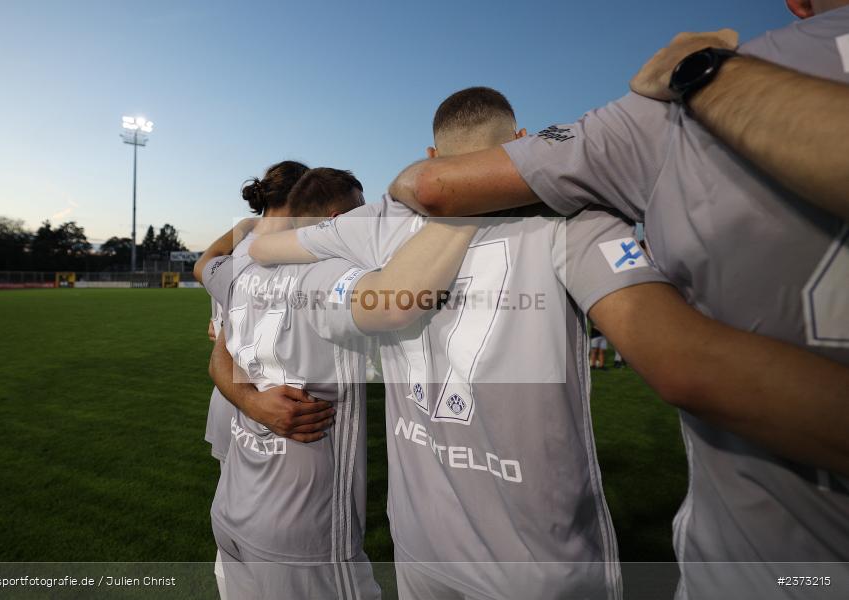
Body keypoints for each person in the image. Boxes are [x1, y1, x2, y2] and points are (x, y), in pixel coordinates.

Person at [386, 5, 849, 598]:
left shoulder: (654, 116)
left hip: (769, 570)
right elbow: (683, 362)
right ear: (522, 137)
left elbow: (426, 192)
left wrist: (698, 71)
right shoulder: (577, 223)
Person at [198, 167, 480, 599]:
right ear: (336, 220)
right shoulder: (323, 276)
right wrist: (465, 210)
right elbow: (395, 302)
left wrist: (249, 401)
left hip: (234, 506)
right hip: (299, 531)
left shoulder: (244, 269)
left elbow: (221, 345)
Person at [201, 160, 309, 599]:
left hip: (230, 390)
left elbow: (203, 264)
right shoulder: (292, 249)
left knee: (235, 498)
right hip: (271, 393)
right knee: (281, 518)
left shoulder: (239, 251)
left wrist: (245, 224)